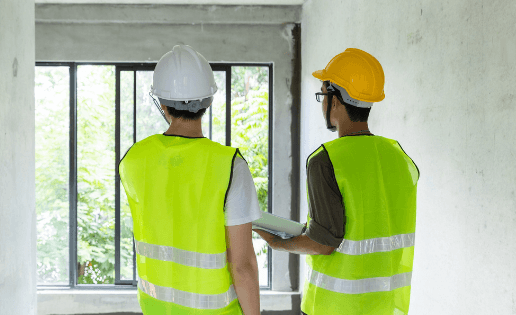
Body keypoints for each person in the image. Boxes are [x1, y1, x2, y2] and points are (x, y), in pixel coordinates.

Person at [253, 48, 420, 315]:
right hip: (385, 306)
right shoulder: (399, 158)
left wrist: (278, 243)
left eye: (323, 95)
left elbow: (323, 243)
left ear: (336, 101)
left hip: (334, 307)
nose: (322, 104)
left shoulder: (325, 160)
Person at [119, 45, 262, 315]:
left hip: (156, 309)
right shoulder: (230, 165)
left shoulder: (133, 159)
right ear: (208, 101)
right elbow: (242, 266)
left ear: (162, 104)